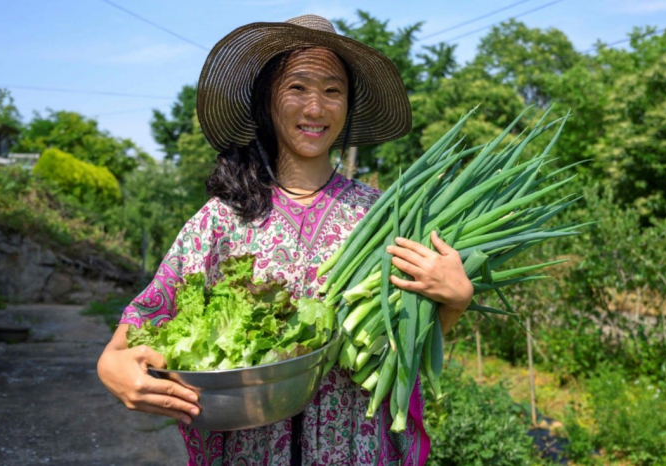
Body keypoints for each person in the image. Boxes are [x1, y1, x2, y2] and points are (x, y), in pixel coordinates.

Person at [97, 14, 473, 466]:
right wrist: (111, 366)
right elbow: (136, 327)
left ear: (348, 106)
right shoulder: (221, 219)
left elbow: (403, 343)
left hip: (355, 450)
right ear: (267, 101)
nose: (315, 108)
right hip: (247, 452)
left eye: (333, 91)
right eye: (297, 88)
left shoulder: (383, 218)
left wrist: (453, 302)